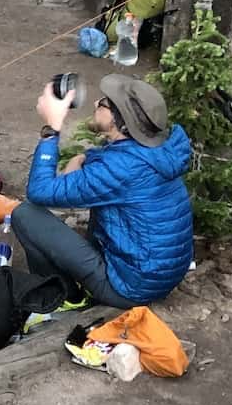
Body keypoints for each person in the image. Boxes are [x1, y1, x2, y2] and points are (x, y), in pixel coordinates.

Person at [20, 74, 194, 307]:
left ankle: (64, 296)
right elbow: (101, 163)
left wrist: (52, 128)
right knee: (101, 201)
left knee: (25, 214)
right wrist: (81, 157)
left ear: (118, 121)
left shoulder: (122, 168)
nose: (94, 104)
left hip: (129, 289)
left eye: (103, 103)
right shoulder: (153, 151)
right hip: (156, 274)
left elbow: (39, 191)